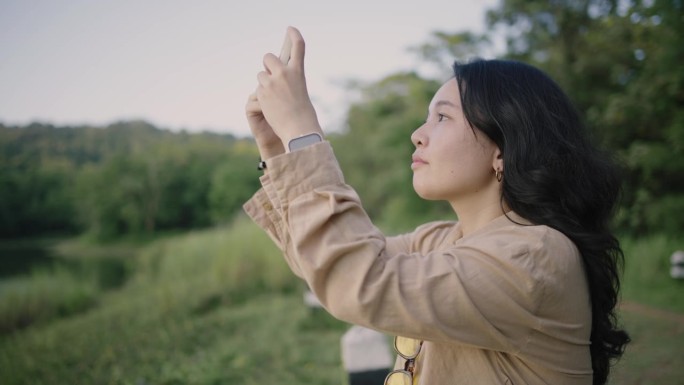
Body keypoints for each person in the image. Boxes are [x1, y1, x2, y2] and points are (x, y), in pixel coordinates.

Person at [243, 26, 629, 385]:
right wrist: (277, 149)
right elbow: (327, 265)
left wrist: (301, 131)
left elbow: (357, 281)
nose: (417, 134)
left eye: (442, 116)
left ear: (504, 149)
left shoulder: (536, 256)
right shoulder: (441, 240)